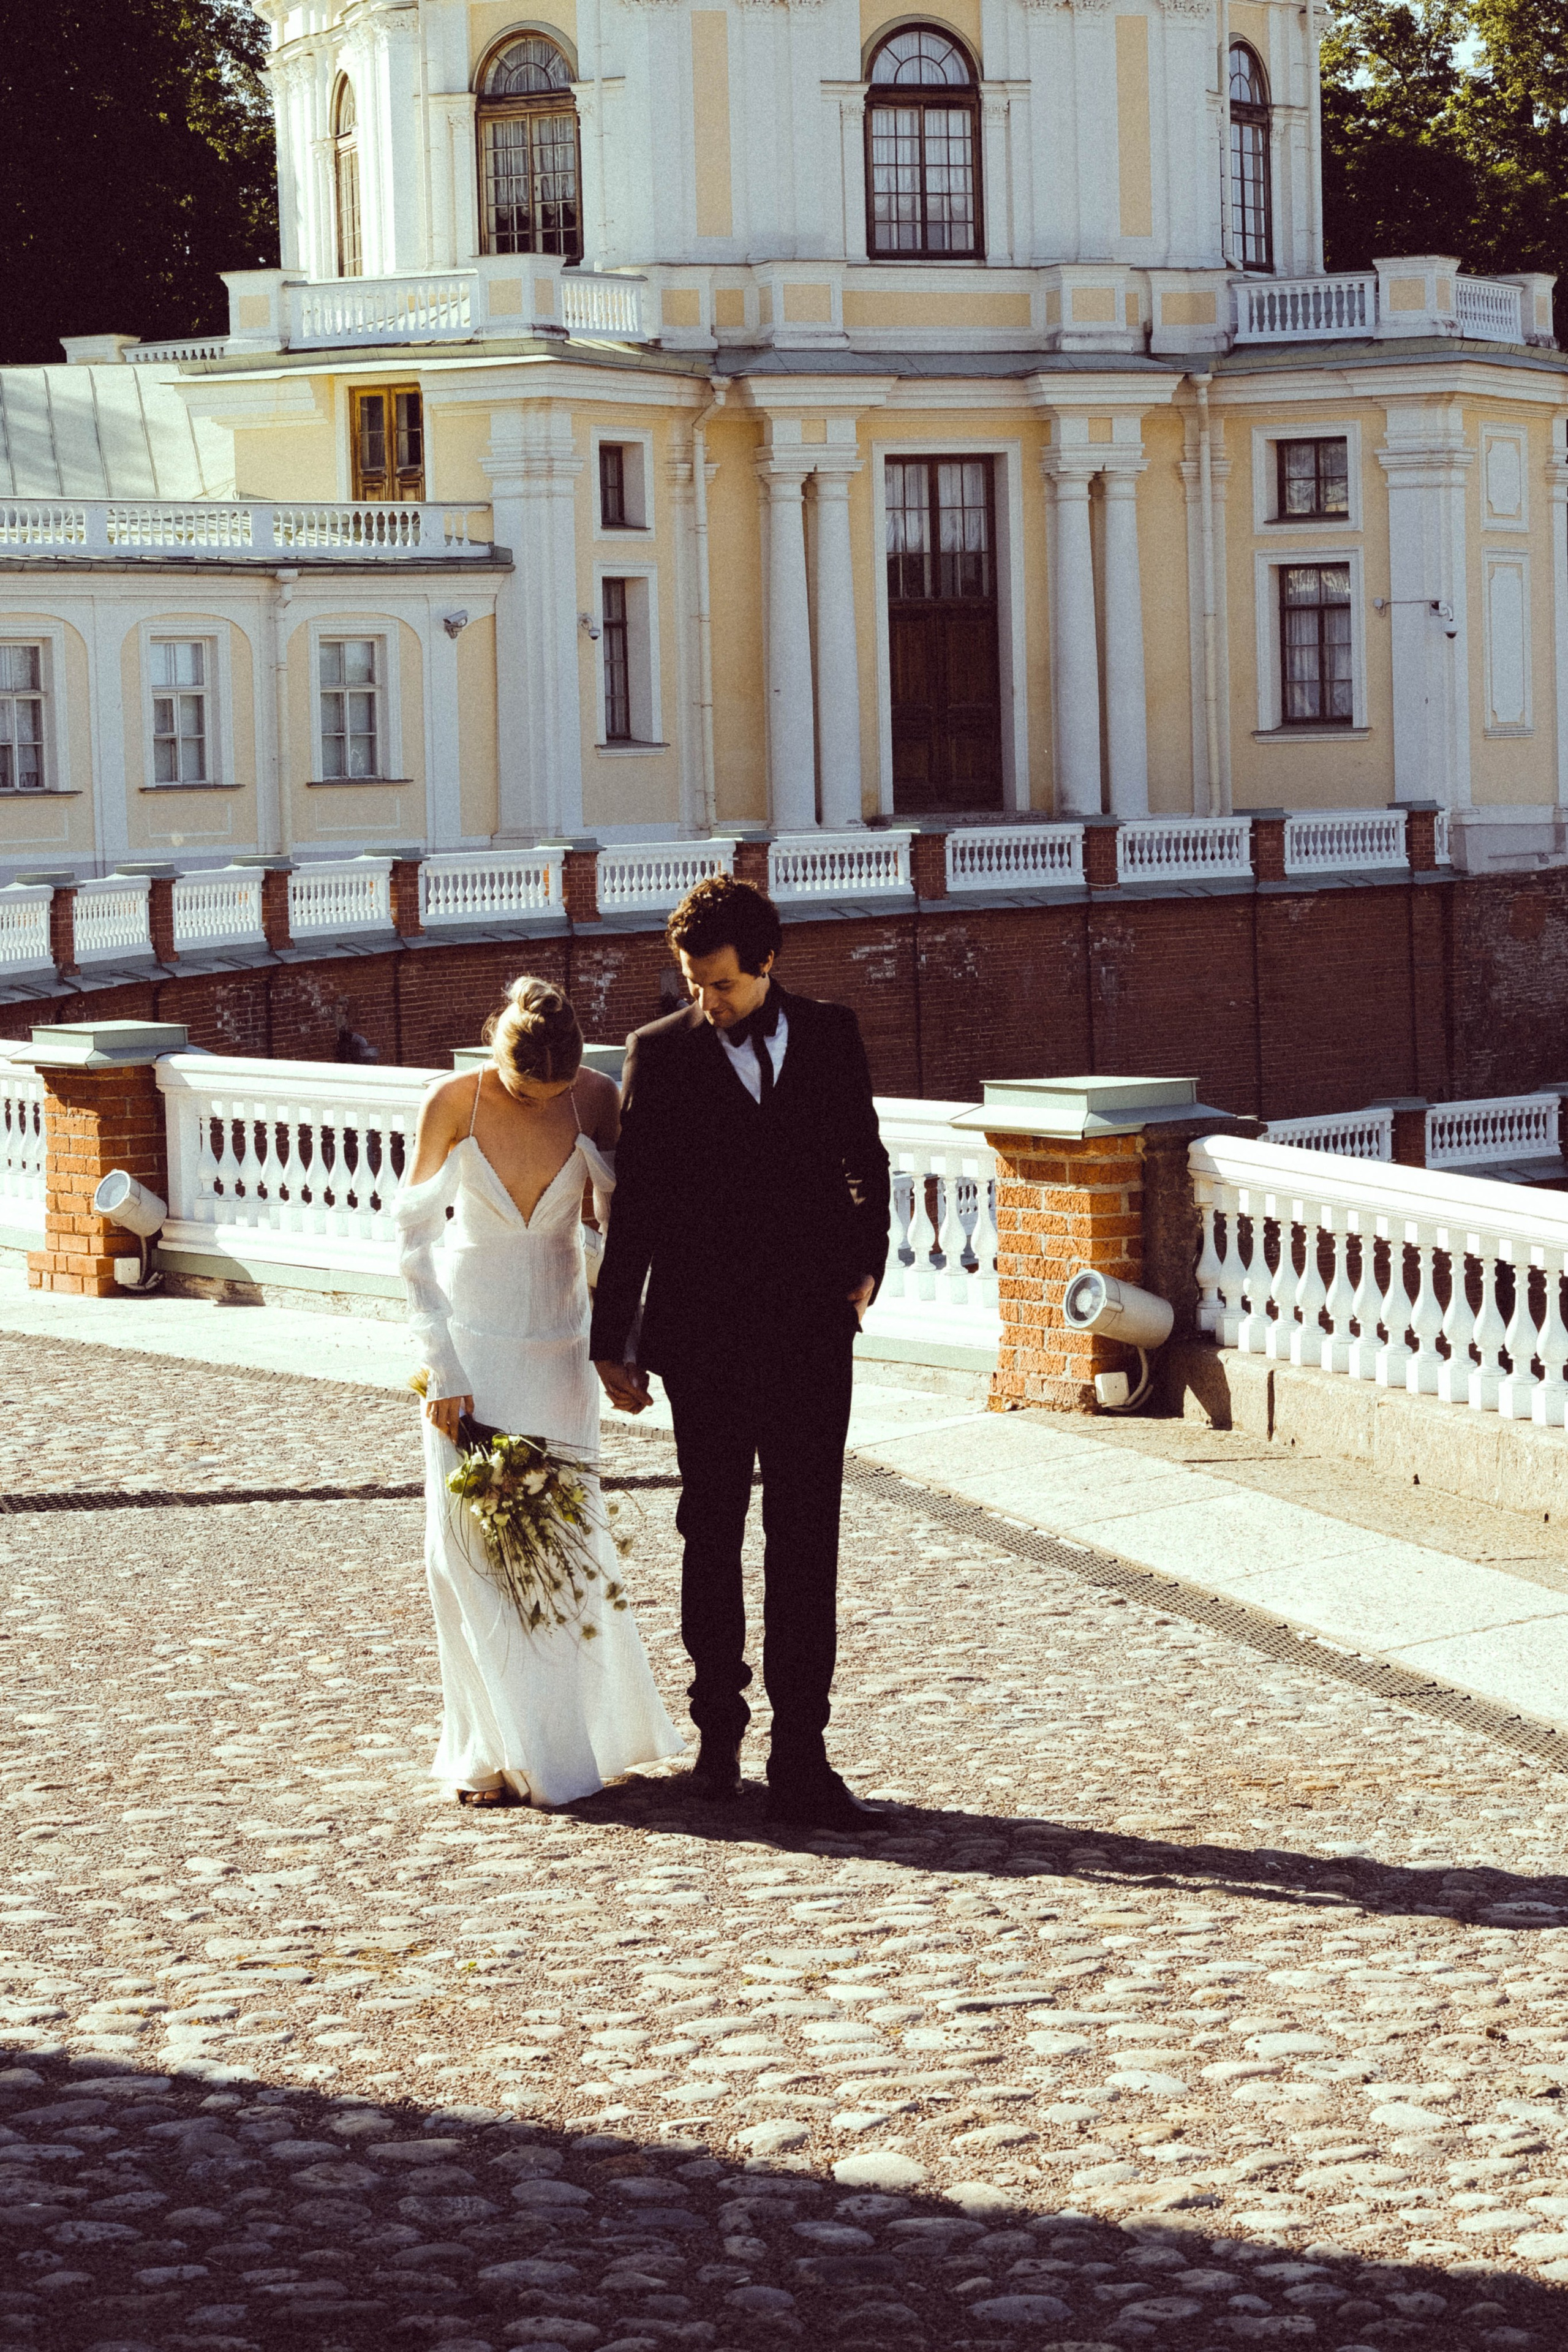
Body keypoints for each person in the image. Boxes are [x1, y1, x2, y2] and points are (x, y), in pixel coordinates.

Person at [590, 877, 892, 1831]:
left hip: (810, 1330)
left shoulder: (834, 1033)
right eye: (692, 982)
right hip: (705, 1336)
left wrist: (868, 1259)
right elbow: (634, 1205)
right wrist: (614, 1338)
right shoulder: (660, 1054)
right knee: (710, 1532)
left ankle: (803, 1755)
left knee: (808, 1544)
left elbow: (867, 1156)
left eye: (720, 984)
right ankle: (718, 1736)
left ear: (767, 964)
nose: (706, 1002)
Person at [395, 976, 685, 1807]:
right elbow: (413, 1246)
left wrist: (617, 1342)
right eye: (526, 1089)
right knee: (463, 1549)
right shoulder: (453, 1101)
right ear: (498, 1056)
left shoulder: (598, 1099)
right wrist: (440, 1365)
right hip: (473, 1351)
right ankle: (489, 1750)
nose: (538, 1102)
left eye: (553, 1091)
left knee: (561, 1550)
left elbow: (617, 1235)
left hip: (559, 1354)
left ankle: (567, 1748)